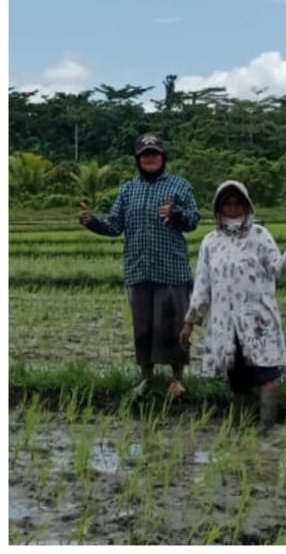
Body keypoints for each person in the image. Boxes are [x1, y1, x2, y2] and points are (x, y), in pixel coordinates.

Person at [79, 134, 200, 400]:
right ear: (138, 159)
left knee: (173, 326)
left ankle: (177, 380)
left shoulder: (180, 185)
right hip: (138, 269)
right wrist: (92, 222)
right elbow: (114, 225)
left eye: (155, 153)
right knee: (143, 328)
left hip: (171, 269)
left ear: (163, 157)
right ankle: (146, 378)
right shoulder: (128, 190)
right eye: (145, 155)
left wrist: (177, 214)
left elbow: (194, 221)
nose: (150, 158)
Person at [180, 181, 286, 428]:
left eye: (237, 202)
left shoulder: (260, 236)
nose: (232, 208)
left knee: (268, 374)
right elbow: (202, 287)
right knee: (237, 379)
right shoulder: (210, 242)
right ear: (219, 208)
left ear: (246, 205)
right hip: (226, 323)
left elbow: (277, 268)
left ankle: (266, 429)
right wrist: (190, 322)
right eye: (227, 203)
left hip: (258, 319)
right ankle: (240, 431)